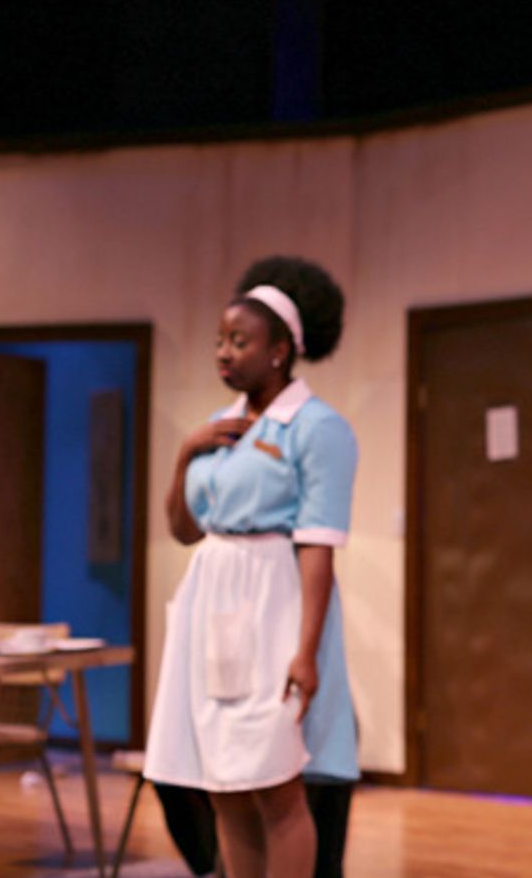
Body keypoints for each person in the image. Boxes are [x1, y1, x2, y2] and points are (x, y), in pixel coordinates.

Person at [144, 255, 360, 878]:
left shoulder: (318, 428)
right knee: (225, 783)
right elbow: (183, 529)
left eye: (240, 340)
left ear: (280, 351)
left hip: (274, 605)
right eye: (219, 340)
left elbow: (318, 545)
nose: (224, 352)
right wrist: (185, 454)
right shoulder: (218, 427)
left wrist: (306, 651)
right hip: (212, 606)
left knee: (274, 783)